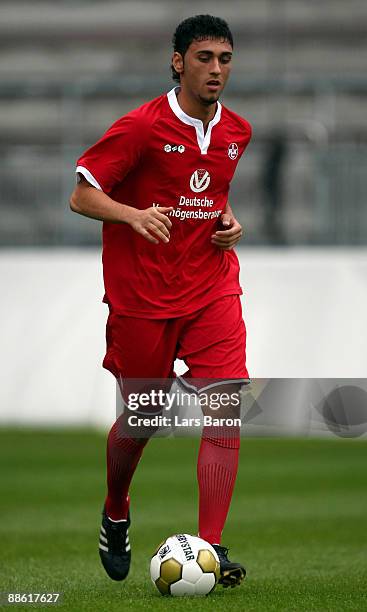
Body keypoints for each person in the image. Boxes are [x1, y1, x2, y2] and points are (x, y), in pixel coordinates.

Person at [70, 14, 252, 589]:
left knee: (224, 404)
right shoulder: (140, 128)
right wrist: (133, 215)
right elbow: (81, 195)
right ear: (179, 62)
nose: (216, 68)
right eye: (204, 58)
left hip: (211, 287)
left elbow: (209, 196)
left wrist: (227, 224)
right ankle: (116, 506)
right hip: (143, 298)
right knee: (143, 417)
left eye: (224, 58)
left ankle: (212, 548)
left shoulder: (237, 131)